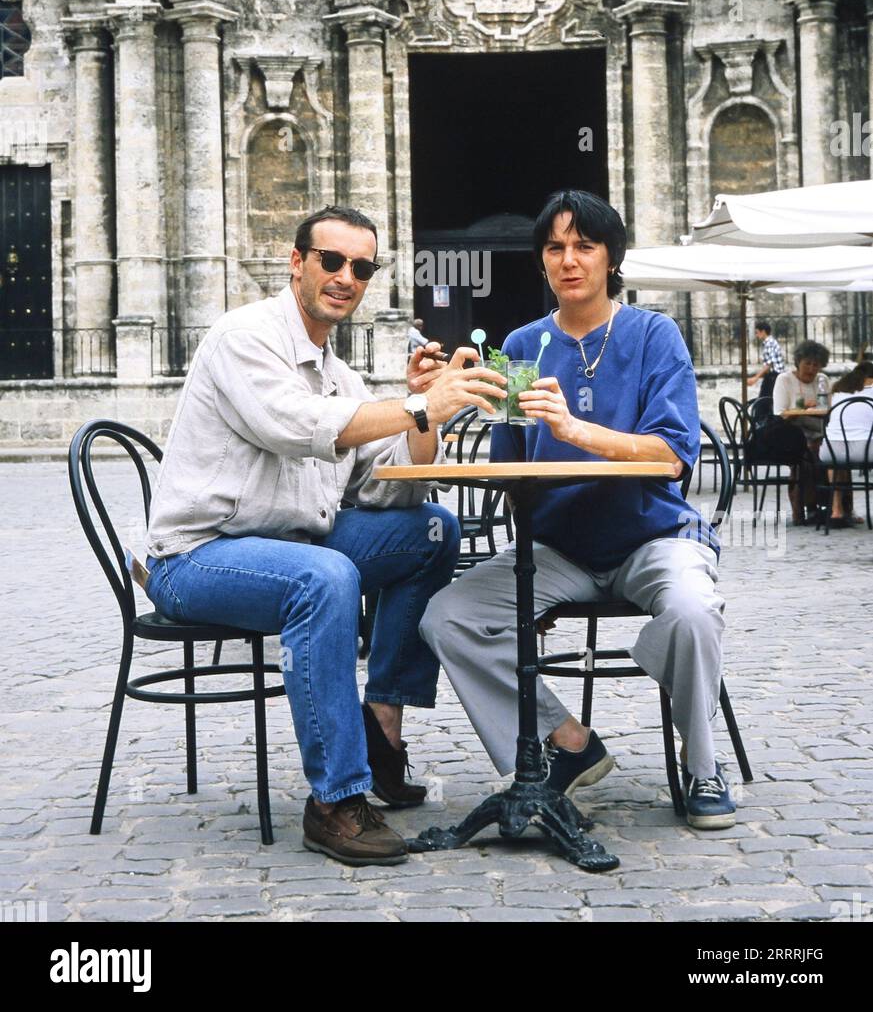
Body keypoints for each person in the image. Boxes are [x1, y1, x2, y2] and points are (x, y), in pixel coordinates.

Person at [144, 205, 505, 866]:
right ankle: (334, 802)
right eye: (331, 261)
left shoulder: (338, 375)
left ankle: (382, 729)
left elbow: (389, 483)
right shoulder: (244, 336)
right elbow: (292, 424)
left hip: (292, 547)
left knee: (432, 529)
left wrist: (419, 407)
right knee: (325, 577)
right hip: (199, 556)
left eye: (361, 267)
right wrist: (420, 404)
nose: (345, 277)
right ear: (296, 263)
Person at [421, 189, 736, 831]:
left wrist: (576, 431)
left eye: (584, 246)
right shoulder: (521, 342)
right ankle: (568, 741)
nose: (569, 260)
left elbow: (672, 456)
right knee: (447, 615)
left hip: (654, 537)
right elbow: (511, 472)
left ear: (611, 258)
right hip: (558, 550)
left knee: (692, 611)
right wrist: (445, 405)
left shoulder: (654, 334)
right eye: (555, 248)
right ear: (542, 262)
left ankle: (703, 765)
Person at [772, 340, 831, 526]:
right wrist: (802, 407)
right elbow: (780, 415)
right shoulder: (784, 379)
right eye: (808, 363)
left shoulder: (823, 381)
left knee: (832, 453)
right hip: (790, 433)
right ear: (798, 362)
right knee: (806, 455)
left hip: (818, 432)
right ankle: (808, 508)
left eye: (816, 364)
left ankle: (837, 507)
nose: (812, 368)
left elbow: (828, 410)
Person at [820, 360, 873, 528]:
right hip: (866, 450)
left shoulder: (837, 392)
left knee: (836, 459)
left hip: (831, 451)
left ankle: (837, 510)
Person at [747, 321, 785, 400]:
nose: (756, 335)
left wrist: (755, 378)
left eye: (757, 333)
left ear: (763, 332)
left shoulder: (769, 343)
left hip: (773, 376)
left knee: (763, 402)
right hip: (774, 376)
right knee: (767, 401)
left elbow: (769, 364)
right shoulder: (770, 343)